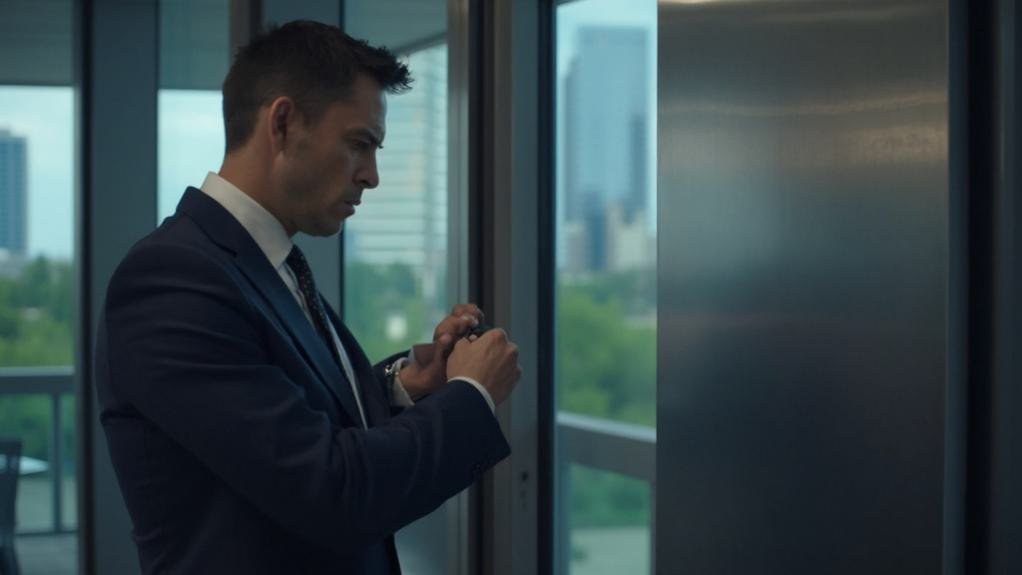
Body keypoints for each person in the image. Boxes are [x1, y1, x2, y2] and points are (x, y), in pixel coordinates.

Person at [94, 20, 521, 575]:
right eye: (359, 144)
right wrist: (471, 395)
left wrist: (407, 389)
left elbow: (301, 416)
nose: (371, 176)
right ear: (284, 122)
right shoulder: (171, 280)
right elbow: (333, 490)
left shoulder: (268, 265)